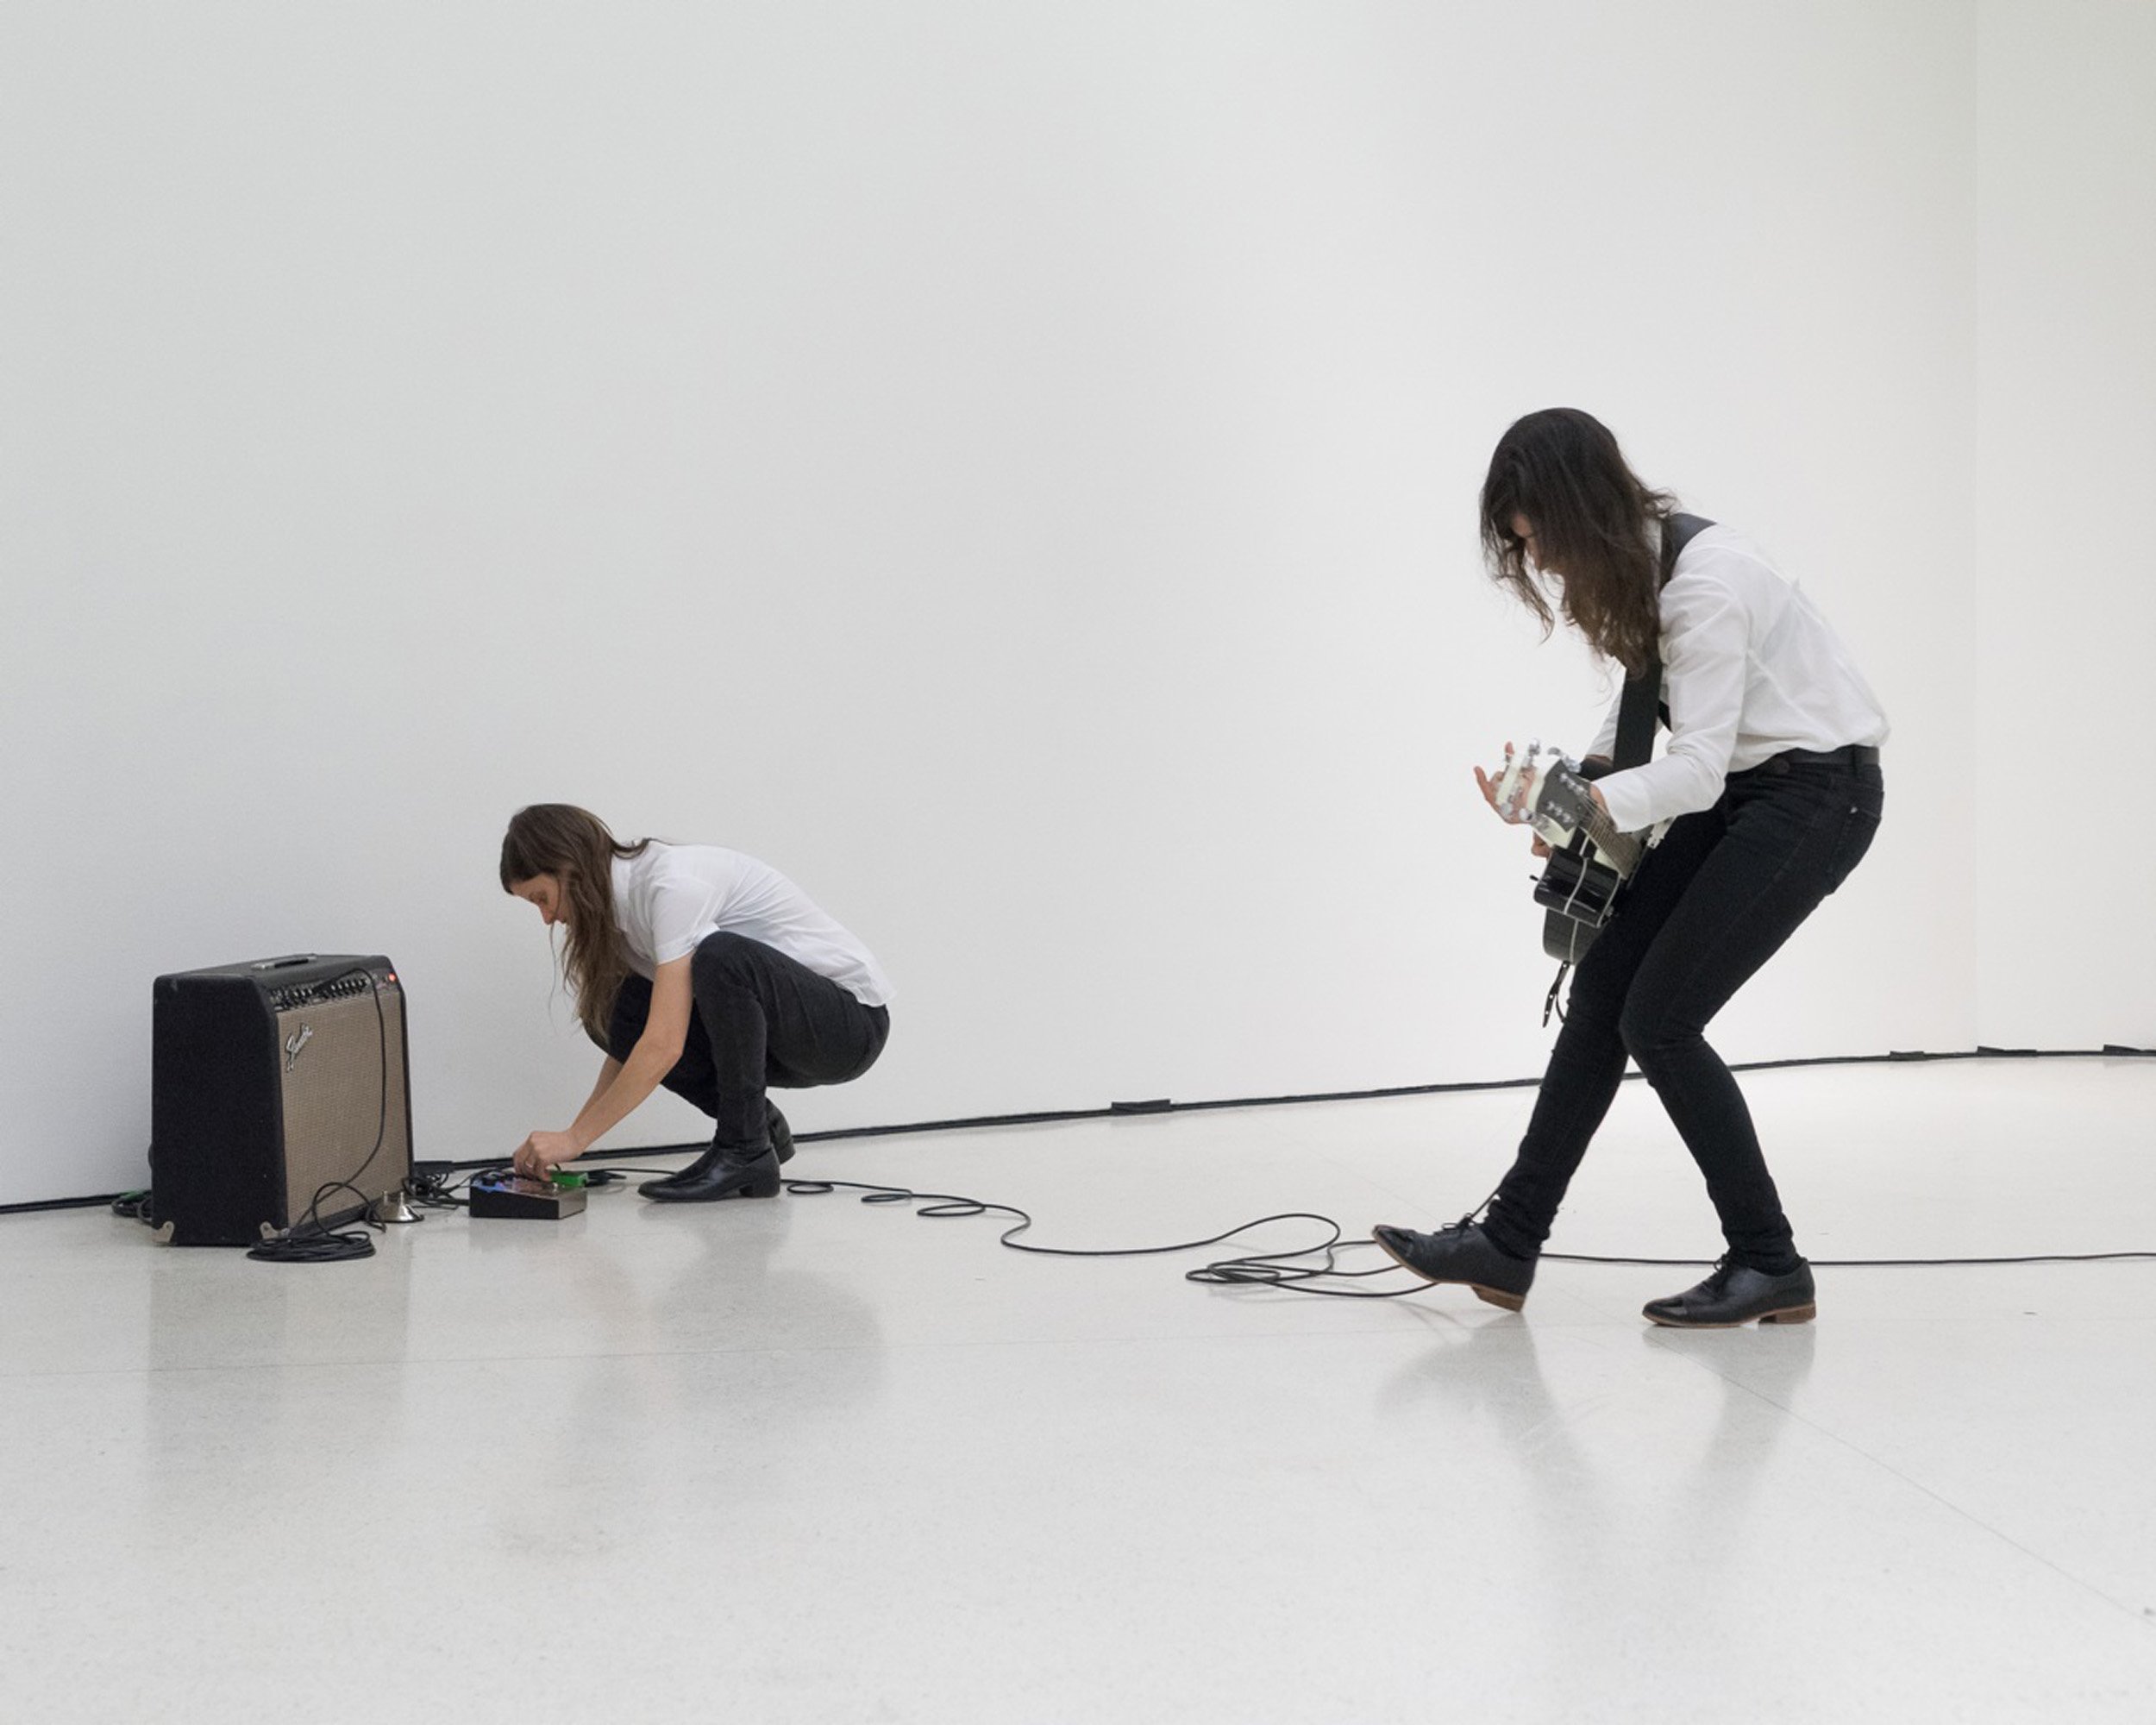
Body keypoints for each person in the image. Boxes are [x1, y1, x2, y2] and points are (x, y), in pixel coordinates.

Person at [1374, 408, 1887, 1327]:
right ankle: (1509, 1239)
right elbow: (1638, 722)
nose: (1547, 568)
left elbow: (1690, 766)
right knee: (1605, 986)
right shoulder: (1648, 575)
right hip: (1745, 789)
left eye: (1546, 544)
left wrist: (1597, 806)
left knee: (1662, 1018)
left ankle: (1770, 1261)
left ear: (1578, 512)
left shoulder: (1707, 585)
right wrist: (1561, 797)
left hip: (1815, 797)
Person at [499, 805, 893, 1201]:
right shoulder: (619, 919)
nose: (547, 918)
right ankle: (759, 1132)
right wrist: (572, 1143)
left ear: (572, 869)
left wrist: (574, 1137)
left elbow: (664, 1044)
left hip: (849, 1026)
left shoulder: (671, 886)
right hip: (778, 1033)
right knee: (613, 1013)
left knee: (721, 956)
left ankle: (744, 1147)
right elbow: (631, 1044)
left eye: (542, 898)